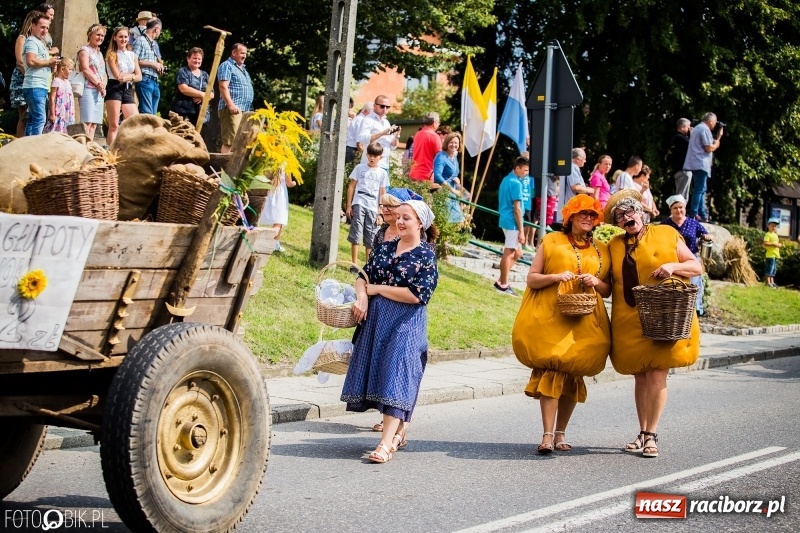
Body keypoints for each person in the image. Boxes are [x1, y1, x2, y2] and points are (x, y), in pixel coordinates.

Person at [606, 189, 702, 458]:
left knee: (657, 373)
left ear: (642, 212)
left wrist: (673, 266)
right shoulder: (614, 245)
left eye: (631, 211)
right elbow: (606, 283)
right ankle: (641, 431)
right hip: (628, 319)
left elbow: (696, 267)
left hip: (664, 316)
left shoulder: (666, 234)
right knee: (639, 375)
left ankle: (651, 435)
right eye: (621, 216)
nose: (627, 217)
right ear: (617, 223)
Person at [341, 200, 439, 464]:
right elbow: (364, 275)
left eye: (407, 218)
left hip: (406, 323)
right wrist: (362, 296)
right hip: (376, 321)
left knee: (396, 374)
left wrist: (378, 290)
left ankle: (385, 444)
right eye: (399, 217)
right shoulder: (384, 248)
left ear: (420, 223)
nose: (401, 222)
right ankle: (398, 432)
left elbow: (418, 295)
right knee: (382, 374)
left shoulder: (426, 256)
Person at [512, 194, 611, 454]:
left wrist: (596, 282)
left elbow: (608, 289)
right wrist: (555, 277)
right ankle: (546, 435)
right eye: (583, 214)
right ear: (570, 217)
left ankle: (561, 433)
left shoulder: (602, 248)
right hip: (552, 317)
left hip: (586, 319)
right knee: (553, 371)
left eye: (592, 214)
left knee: (573, 375)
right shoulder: (551, 240)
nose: (588, 218)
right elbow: (532, 279)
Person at [661, 194, 712, 315]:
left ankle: (695, 309)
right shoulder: (665, 224)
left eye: (681, 207)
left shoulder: (693, 223)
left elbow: (706, 234)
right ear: (671, 210)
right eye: (675, 208)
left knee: (694, 284)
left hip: (691, 259)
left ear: (685, 208)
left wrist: (707, 236)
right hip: (673, 259)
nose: (679, 210)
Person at [346, 142, 390, 266]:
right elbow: (351, 186)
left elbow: (382, 193)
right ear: (366, 155)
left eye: (375, 156)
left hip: (373, 207)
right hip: (359, 201)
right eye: (370, 155)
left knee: (371, 235)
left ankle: (367, 265)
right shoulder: (360, 168)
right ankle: (354, 264)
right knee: (356, 232)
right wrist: (349, 205)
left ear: (380, 157)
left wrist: (381, 213)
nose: (372, 158)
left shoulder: (382, 173)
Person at [495, 156, 530, 295]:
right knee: (509, 252)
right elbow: (517, 209)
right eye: (525, 170)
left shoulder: (506, 179)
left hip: (506, 219)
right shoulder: (516, 183)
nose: (526, 173)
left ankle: (501, 280)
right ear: (517, 168)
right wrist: (521, 231)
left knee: (518, 253)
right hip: (512, 223)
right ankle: (503, 285)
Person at [22, 12, 59, 137]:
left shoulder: (40, 43)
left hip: (39, 86)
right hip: (34, 86)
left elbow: (41, 62)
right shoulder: (32, 41)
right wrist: (49, 62)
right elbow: (31, 61)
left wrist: (51, 64)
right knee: (39, 119)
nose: (45, 31)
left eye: (47, 28)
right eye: (42, 27)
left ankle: (27, 147)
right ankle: (34, 149)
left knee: (33, 120)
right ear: (33, 26)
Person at [104, 26, 141, 147]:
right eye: (120, 36)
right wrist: (131, 76)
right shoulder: (112, 55)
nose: (123, 39)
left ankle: (129, 148)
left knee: (135, 122)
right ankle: (111, 151)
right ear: (115, 38)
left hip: (127, 88)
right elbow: (118, 76)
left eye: (125, 37)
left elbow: (139, 76)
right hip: (114, 88)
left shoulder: (132, 55)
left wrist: (129, 77)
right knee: (114, 125)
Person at [684, 112, 723, 221]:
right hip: (700, 163)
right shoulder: (704, 129)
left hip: (697, 163)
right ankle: (694, 213)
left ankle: (702, 214)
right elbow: (708, 148)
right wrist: (717, 142)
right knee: (699, 189)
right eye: (715, 122)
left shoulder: (698, 128)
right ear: (710, 121)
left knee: (702, 189)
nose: (715, 125)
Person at [217, 43, 254, 153]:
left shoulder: (243, 69)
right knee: (230, 142)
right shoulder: (227, 65)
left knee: (241, 142)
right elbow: (223, 86)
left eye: (246, 54)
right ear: (234, 53)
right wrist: (231, 105)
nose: (244, 56)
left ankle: (234, 169)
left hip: (244, 110)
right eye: (242, 53)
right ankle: (224, 169)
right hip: (232, 110)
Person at [10, 11, 37, 137]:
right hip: (22, 78)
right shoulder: (22, 38)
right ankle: (19, 143)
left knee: (33, 114)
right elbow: (20, 61)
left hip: (33, 79)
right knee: (23, 115)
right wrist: (29, 76)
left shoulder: (37, 41)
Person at [433, 132, 469, 223]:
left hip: (452, 192)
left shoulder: (454, 156)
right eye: (451, 142)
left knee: (456, 220)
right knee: (448, 220)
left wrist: (457, 180)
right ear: (447, 143)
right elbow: (437, 176)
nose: (454, 145)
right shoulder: (441, 156)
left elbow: (453, 174)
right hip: (443, 192)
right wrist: (452, 190)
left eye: (456, 143)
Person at [554, 148, 594, 229]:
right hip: (571, 209)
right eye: (584, 159)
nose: (585, 161)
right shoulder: (573, 168)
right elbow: (575, 187)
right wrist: (589, 190)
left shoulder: (567, 167)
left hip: (566, 209)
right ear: (577, 159)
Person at [357, 95, 399, 171]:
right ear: (374, 106)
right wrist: (382, 133)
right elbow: (362, 139)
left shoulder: (386, 122)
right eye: (382, 106)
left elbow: (392, 147)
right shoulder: (368, 120)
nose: (385, 109)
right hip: (370, 166)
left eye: (387, 107)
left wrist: (396, 136)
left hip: (384, 165)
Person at [172, 47, 212, 127]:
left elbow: (212, 93)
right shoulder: (183, 71)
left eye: (199, 59)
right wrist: (201, 94)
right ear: (188, 58)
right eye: (194, 58)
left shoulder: (205, 75)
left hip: (200, 114)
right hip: (183, 113)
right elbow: (184, 89)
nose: (197, 61)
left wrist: (203, 97)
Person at [132, 17, 164, 115]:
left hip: (155, 81)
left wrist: (160, 68)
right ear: (156, 29)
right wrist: (153, 64)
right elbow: (133, 60)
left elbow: (158, 61)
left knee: (153, 116)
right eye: (160, 30)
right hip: (145, 79)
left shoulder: (155, 44)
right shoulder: (140, 40)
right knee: (147, 114)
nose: (160, 33)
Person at [259, 167, 296, 253]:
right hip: (279, 194)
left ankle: (274, 243)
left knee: (262, 215)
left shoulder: (270, 161)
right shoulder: (287, 164)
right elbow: (289, 183)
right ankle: (271, 241)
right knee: (279, 221)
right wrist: (294, 183)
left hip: (268, 190)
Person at [44, 57, 75, 133]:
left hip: (67, 113)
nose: (71, 72)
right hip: (59, 112)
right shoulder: (56, 81)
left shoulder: (67, 82)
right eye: (70, 69)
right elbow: (52, 97)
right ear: (62, 69)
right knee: (56, 129)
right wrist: (52, 113)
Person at [409, 112, 441, 182]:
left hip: (414, 172)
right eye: (439, 122)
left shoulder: (418, 134)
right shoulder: (435, 136)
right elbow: (440, 158)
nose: (439, 124)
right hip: (427, 175)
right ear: (434, 122)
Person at [669, 118, 692, 199]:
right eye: (688, 127)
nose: (689, 129)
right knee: (682, 195)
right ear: (682, 127)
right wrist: (692, 135)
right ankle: (679, 209)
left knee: (681, 193)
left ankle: (679, 209)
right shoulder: (679, 138)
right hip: (684, 170)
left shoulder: (674, 138)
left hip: (678, 169)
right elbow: (692, 146)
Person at [764, 217, 782, 288]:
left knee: (774, 269)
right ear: (768, 226)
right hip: (770, 255)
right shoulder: (768, 234)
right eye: (772, 225)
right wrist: (774, 244)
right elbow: (765, 243)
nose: (773, 227)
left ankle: (772, 282)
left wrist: (779, 245)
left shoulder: (775, 235)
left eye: (775, 226)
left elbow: (777, 243)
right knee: (770, 268)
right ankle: (768, 282)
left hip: (775, 255)